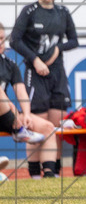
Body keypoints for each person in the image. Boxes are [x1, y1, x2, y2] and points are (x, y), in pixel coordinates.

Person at [10, 0, 79, 178]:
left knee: (56, 126)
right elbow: (15, 40)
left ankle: (53, 170)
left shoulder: (63, 12)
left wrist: (58, 49)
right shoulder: (30, 12)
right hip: (35, 75)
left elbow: (74, 40)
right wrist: (35, 59)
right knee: (37, 126)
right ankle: (34, 173)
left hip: (57, 75)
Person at [0, 22, 54, 178]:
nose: (0, 42)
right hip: (8, 111)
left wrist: (27, 114)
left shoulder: (10, 65)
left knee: (47, 127)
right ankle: (18, 129)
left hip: (6, 116)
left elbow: (21, 92)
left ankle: (49, 176)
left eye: (2, 38)